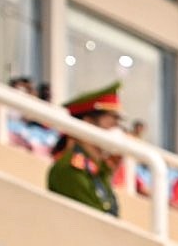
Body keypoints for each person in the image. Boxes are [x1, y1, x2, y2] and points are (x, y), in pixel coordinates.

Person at [46, 82, 123, 217]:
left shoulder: (97, 169)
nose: (116, 129)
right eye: (112, 121)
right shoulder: (70, 169)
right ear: (87, 122)